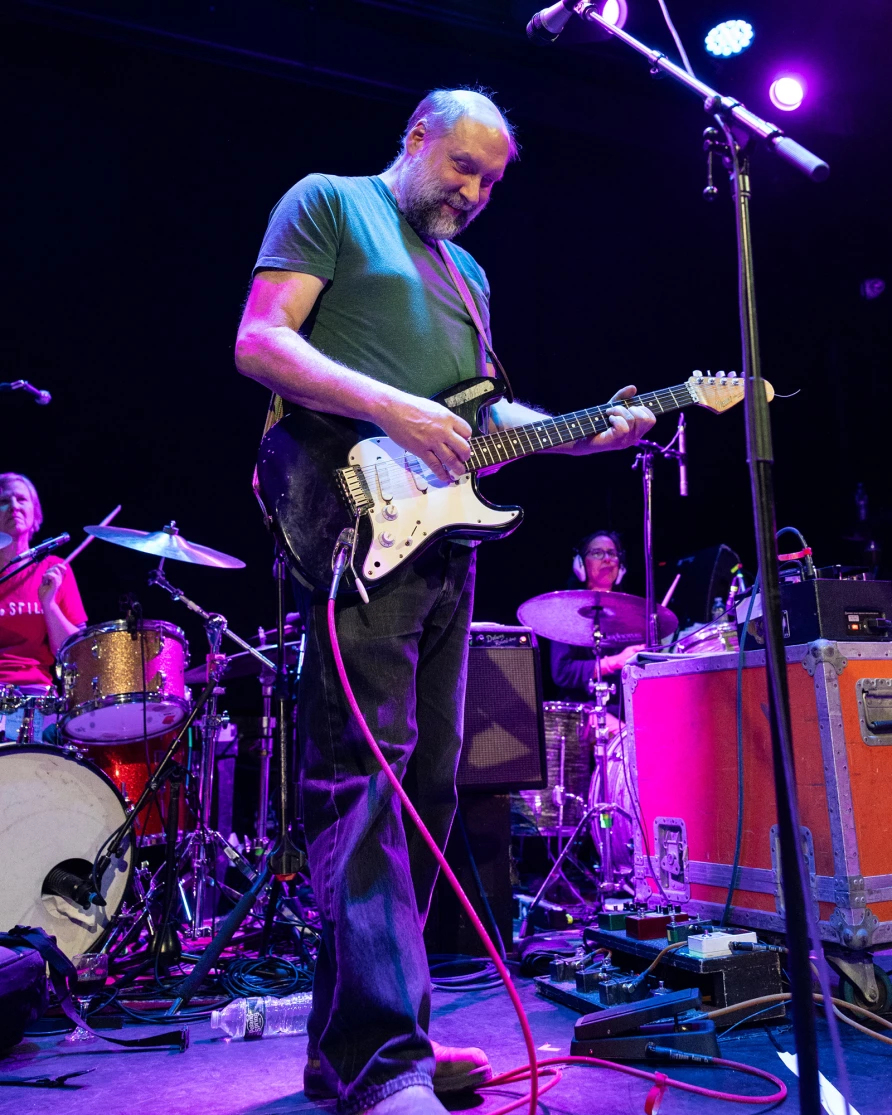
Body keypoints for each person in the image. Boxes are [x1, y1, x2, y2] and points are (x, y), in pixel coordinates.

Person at [235, 88, 655, 1115]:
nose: (476, 191)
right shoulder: (328, 201)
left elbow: (482, 411)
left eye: (493, 180)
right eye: (464, 166)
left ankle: (377, 1045)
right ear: (417, 135)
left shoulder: (467, 275)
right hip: (346, 516)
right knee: (362, 782)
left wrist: (586, 428)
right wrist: (391, 408)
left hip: (440, 544)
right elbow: (260, 342)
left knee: (420, 790)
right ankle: (383, 1063)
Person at [0, 473, 86, 740]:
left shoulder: (55, 570)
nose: (14, 506)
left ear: (34, 512)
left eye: (21, 499)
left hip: (38, 695)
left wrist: (50, 605)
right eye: (3, 500)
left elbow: (72, 653)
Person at [550, 529, 644, 706]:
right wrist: (615, 662)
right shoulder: (567, 612)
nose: (607, 559)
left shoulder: (633, 613)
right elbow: (562, 672)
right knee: (626, 734)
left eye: (612, 553)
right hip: (584, 709)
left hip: (628, 707)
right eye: (597, 553)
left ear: (621, 566)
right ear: (580, 564)